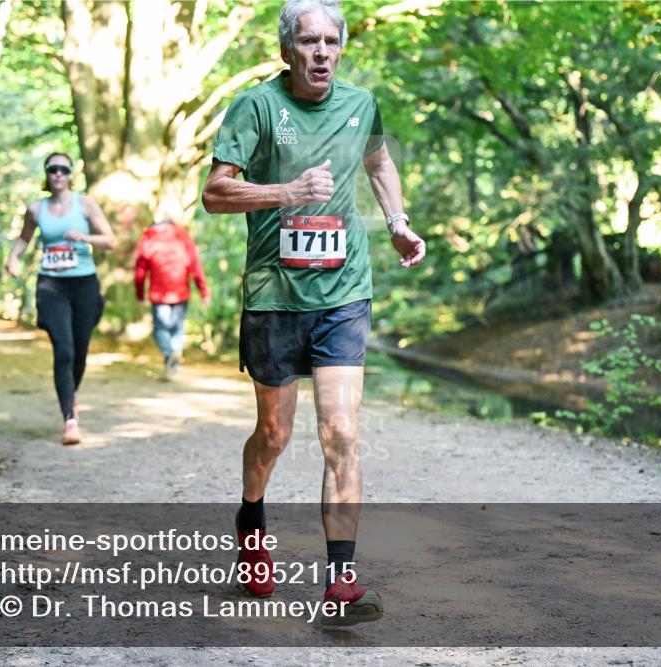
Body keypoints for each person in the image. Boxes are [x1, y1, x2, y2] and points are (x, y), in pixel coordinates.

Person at [201, 0, 425, 625]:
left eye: (331, 40)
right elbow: (216, 192)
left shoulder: (361, 104)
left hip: (343, 292)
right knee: (274, 435)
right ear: (287, 50)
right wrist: (287, 193)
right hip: (275, 295)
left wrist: (398, 224)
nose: (321, 51)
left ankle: (341, 580)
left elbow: (378, 162)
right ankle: (251, 517)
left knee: (341, 432)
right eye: (308, 41)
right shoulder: (256, 107)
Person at [6, 152, 116, 445]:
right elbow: (24, 238)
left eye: (63, 169)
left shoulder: (85, 204)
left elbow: (111, 240)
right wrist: (13, 258)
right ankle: (70, 419)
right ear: (47, 174)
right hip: (51, 286)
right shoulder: (35, 208)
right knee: (64, 350)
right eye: (52, 169)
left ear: (70, 175)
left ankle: (71, 394)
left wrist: (86, 238)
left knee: (79, 352)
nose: (57, 174)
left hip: (84, 286)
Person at [133, 200, 210, 380]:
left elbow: (140, 269)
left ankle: (169, 354)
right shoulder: (183, 235)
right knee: (177, 328)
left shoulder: (149, 236)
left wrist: (139, 293)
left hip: (159, 293)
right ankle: (174, 359)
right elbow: (195, 265)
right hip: (180, 290)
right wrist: (203, 291)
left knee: (160, 328)